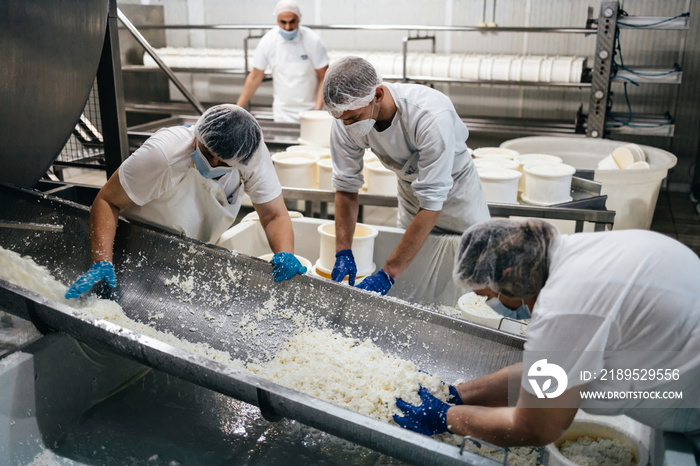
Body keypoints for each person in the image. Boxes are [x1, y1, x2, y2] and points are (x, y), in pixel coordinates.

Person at [393, 218, 700, 454]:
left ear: (510, 277)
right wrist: (459, 394)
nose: (493, 305)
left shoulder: (565, 304)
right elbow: (549, 376)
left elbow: (535, 426)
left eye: (491, 295)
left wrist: (448, 417)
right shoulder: (574, 255)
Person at [65, 104, 306, 299]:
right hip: (134, 244)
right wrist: (101, 262)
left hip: (195, 250)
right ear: (198, 135)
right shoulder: (163, 154)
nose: (211, 164)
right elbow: (107, 200)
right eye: (206, 152)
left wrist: (285, 254)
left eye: (222, 163)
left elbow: (274, 214)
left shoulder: (251, 158)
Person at [322, 56, 490, 296]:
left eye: (353, 119)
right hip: (412, 195)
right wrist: (343, 250)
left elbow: (432, 204)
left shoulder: (429, 115)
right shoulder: (346, 117)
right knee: (415, 278)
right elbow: (346, 186)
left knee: (473, 274)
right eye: (341, 120)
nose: (347, 126)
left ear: (378, 95)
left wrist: (387, 273)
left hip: (458, 197)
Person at [236, 0, 329, 123]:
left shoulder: (313, 41)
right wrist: (237, 110)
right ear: (276, 19)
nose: (288, 27)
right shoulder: (268, 42)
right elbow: (254, 77)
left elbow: (325, 77)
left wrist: (316, 111)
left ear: (299, 18)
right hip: (282, 114)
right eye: (283, 22)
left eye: (292, 22)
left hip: (310, 111)